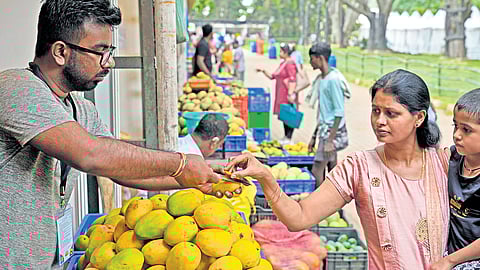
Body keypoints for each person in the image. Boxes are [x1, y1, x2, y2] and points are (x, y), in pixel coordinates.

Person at [0, 0, 220, 268]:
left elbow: (121, 167)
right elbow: (90, 154)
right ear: (60, 51)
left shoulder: (80, 109)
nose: (110, 62)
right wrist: (180, 163)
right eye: (100, 51)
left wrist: (198, 179)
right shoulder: (16, 88)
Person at [225, 69, 451, 269]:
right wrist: (265, 176)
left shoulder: (444, 164)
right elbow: (299, 218)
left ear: (419, 118)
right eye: (375, 111)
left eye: (391, 113)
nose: (380, 121)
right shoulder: (358, 168)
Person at [430, 89, 480, 270]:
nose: (457, 135)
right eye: (455, 126)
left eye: (466, 130)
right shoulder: (452, 158)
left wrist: (450, 261)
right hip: (450, 253)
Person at [305, 42, 351, 187]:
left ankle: (321, 205)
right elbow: (323, 113)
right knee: (332, 170)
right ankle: (336, 207)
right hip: (326, 130)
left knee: (317, 169)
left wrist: (330, 140)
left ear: (320, 58)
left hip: (331, 132)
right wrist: (314, 136)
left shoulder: (333, 80)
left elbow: (339, 112)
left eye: (312, 58)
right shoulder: (323, 79)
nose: (310, 61)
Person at [256, 43, 297, 145]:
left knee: (289, 115)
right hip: (280, 93)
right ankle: (285, 136)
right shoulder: (283, 63)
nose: (280, 53)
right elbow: (273, 76)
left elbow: (293, 79)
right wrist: (263, 71)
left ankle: (289, 137)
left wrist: (291, 94)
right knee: (283, 114)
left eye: (281, 51)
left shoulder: (290, 63)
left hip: (286, 93)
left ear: (286, 52)